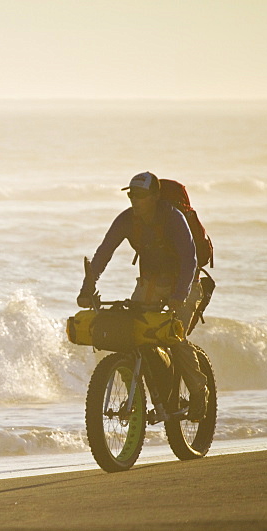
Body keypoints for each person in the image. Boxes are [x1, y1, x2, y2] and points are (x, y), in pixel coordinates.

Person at [77, 171, 208, 420]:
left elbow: (190, 258)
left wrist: (180, 295)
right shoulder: (126, 220)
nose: (134, 200)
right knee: (132, 331)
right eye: (131, 195)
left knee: (174, 335)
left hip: (185, 283)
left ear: (155, 197)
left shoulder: (173, 218)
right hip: (150, 283)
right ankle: (141, 389)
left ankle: (199, 392)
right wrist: (86, 289)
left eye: (140, 195)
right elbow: (103, 254)